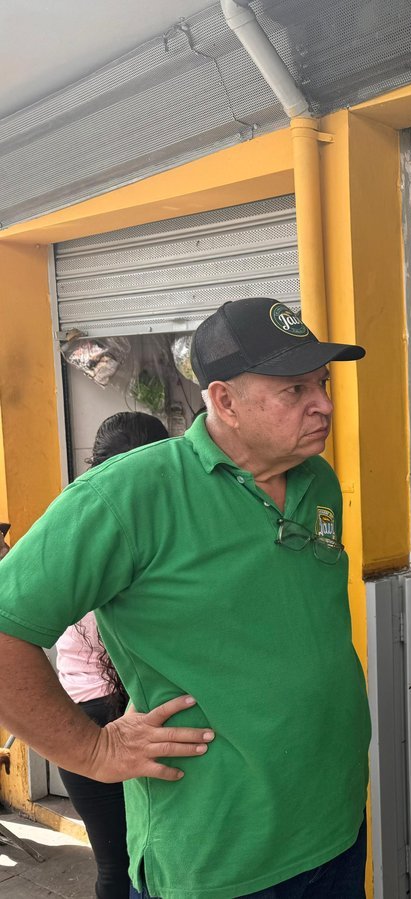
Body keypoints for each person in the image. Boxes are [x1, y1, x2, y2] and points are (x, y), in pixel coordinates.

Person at [0, 297, 371, 899]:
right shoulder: (131, 493)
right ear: (224, 400)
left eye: (322, 383)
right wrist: (92, 750)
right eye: (295, 389)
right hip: (218, 858)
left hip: (334, 826)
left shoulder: (316, 480)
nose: (324, 404)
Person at [54, 412, 168, 899]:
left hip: (143, 706)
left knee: (139, 864)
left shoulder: (171, 526)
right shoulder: (74, 531)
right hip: (98, 712)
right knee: (123, 867)